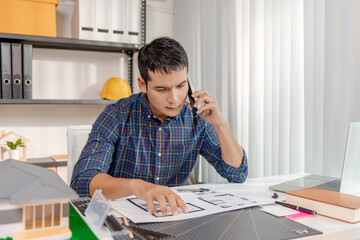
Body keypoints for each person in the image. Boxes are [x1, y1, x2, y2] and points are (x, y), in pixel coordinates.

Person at [71, 37, 248, 216]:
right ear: (143, 85)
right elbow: (82, 181)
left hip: (171, 217)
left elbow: (237, 173)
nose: (175, 98)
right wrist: (138, 187)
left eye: (181, 85)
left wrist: (221, 125)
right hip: (119, 218)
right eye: (161, 89)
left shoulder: (196, 117)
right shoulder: (117, 115)